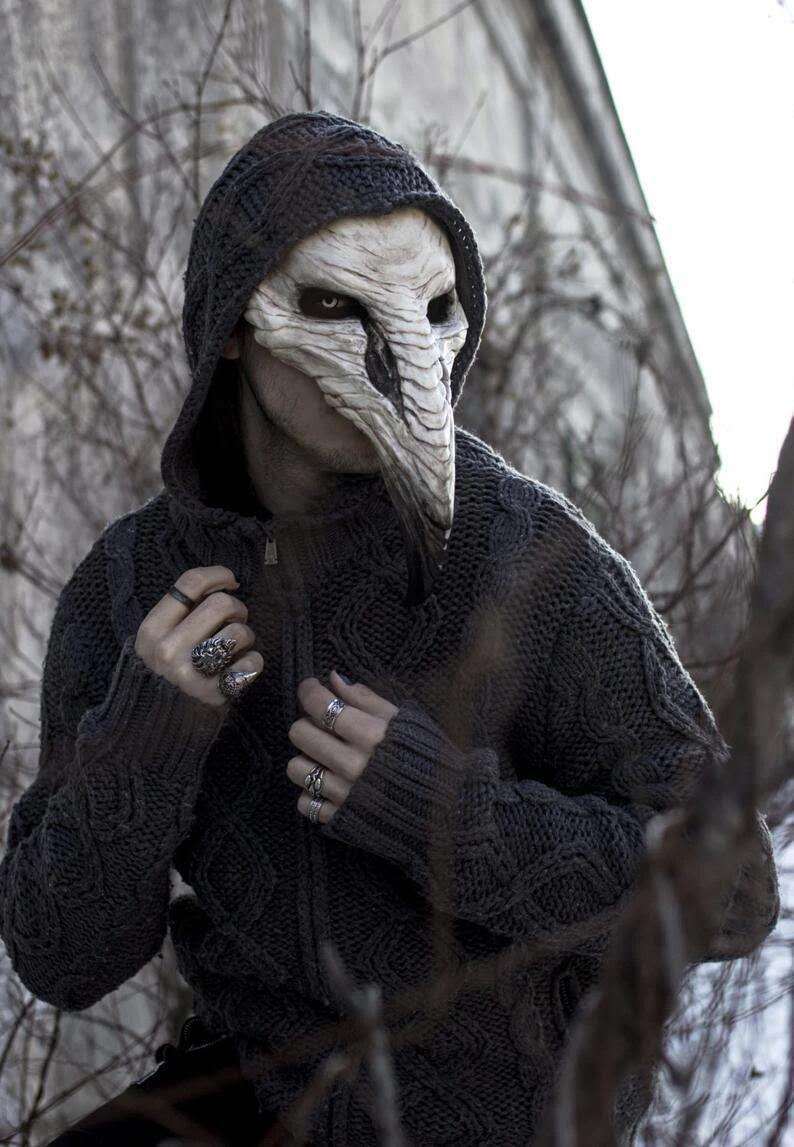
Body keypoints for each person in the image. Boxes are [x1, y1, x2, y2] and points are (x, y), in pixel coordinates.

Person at [0, 111, 780, 1147]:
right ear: (233, 320)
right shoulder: (131, 585)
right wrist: (145, 741)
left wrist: (443, 814)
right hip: (257, 1091)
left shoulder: (532, 557)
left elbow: (733, 890)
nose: (402, 365)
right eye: (333, 306)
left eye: (434, 310)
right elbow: (61, 959)